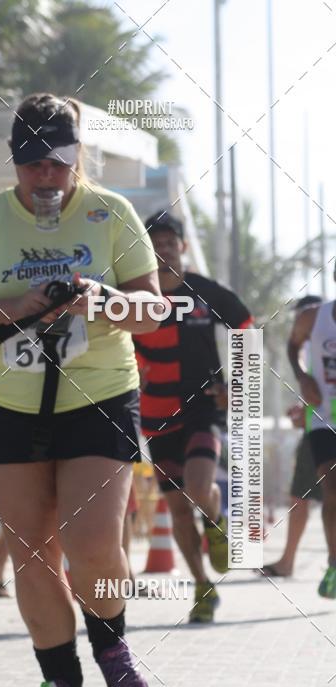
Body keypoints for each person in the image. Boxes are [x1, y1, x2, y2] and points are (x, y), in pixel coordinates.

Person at [0, 92, 165, 687]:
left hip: (97, 395)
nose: (44, 175)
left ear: (77, 158)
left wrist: (100, 298)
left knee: (92, 544)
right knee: (31, 556)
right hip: (10, 401)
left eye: (58, 162)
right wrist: (18, 305)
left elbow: (150, 311)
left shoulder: (110, 212)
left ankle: (112, 645)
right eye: (31, 162)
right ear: (13, 162)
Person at [133, 210, 253, 623]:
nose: (164, 250)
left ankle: (216, 521)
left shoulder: (202, 291)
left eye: (170, 242)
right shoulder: (135, 295)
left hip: (203, 406)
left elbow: (246, 325)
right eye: (156, 244)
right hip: (155, 416)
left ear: (182, 246)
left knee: (199, 488)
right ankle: (202, 586)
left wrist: (238, 383)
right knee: (178, 509)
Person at [261, 295, 323, 578]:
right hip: (316, 428)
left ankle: (287, 561)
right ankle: (287, 560)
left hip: (322, 430)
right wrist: (305, 409)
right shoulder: (311, 351)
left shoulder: (318, 341)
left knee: (300, 497)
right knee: (300, 495)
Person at [287, 290, 336, 598]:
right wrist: (303, 377)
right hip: (324, 418)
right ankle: (334, 564)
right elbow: (293, 346)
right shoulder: (313, 317)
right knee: (332, 488)